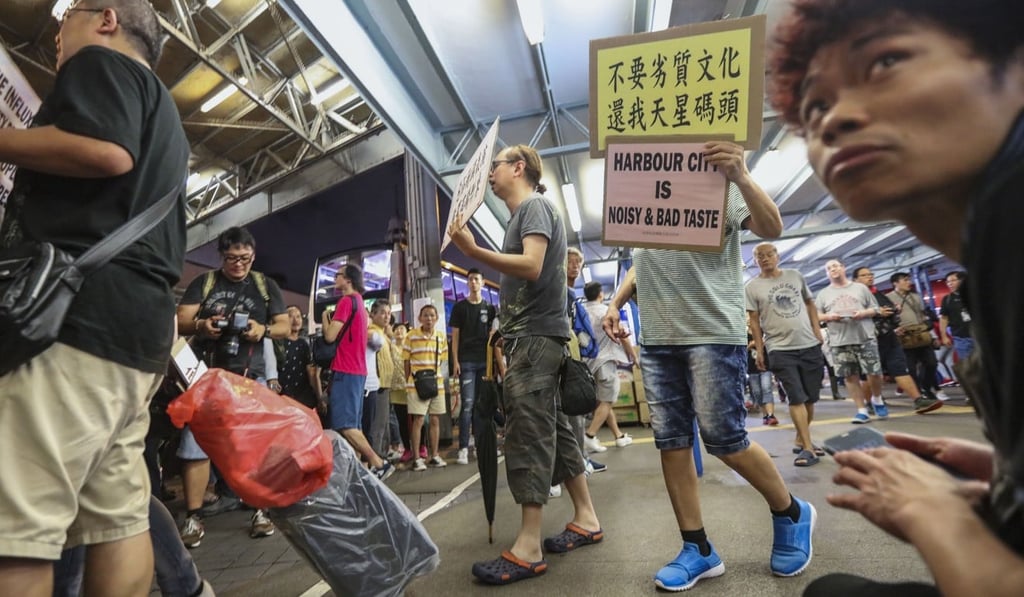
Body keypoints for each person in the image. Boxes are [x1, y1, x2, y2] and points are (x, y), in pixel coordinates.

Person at [769, 1, 1024, 594]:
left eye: (886, 60)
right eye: (817, 108)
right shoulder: (993, 247)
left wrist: (934, 513)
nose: (833, 121)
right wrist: (1005, 486)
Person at [0, 1, 188, 594]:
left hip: (74, 323)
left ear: (106, 18)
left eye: (68, 18)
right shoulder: (166, 116)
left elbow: (106, 151)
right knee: (118, 518)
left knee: (16, 528)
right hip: (138, 335)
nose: (59, 34)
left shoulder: (100, 64)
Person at [602, 141, 815, 591]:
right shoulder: (637, 186)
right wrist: (617, 303)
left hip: (712, 329)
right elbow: (645, 258)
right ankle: (697, 547)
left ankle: (792, 512)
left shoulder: (715, 177)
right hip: (658, 336)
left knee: (725, 439)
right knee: (672, 442)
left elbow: (771, 227)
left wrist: (740, 174)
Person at [449, 144, 602, 585]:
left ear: (518, 168)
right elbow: (526, 279)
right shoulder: (525, 214)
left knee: (528, 433)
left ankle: (528, 546)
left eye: (495, 166)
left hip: (535, 340)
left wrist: (474, 251)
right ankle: (587, 517)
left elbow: (532, 266)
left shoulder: (533, 206)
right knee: (552, 427)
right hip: (532, 334)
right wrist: (505, 323)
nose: (490, 174)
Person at [176, 226, 290, 543]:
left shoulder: (264, 285)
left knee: (252, 445)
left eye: (245, 258)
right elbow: (181, 318)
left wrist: (260, 328)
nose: (239, 265)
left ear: (253, 255)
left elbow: (283, 325)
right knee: (194, 445)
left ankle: (259, 510)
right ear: (221, 256)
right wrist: (202, 325)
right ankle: (193, 519)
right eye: (231, 258)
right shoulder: (206, 282)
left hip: (248, 377)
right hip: (207, 376)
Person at [745, 242, 824, 466]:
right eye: (760, 256)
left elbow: (810, 303)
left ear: (777, 256)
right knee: (796, 396)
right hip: (779, 348)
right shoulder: (752, 287)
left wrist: (817, 329)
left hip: (808, 344)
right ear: (756, 260)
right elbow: (754, 321)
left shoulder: (795, 276)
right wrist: (760, 350)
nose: (765, 258)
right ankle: (808, 448)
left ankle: (801, 439)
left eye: (769, 254)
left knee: (810, 397)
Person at [321, 263, 394, 481]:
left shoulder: (346, 301)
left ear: (349, 279)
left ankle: (378, 463)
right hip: (357, 372)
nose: (336, 278)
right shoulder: (360, 304)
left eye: (339, 275)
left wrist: (326, 318)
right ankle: (357, 472)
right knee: (352, 424)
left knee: (345, 424)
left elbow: (330, 337)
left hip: (345, 370)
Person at [851, 267, 942, 414]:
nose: (869, 277)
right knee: (869, 374)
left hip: (889, 338)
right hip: (868, 340)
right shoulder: (854, 297)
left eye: (870, 274)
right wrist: (877, 312)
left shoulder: (878, 293)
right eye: (864, 275)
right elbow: (854, 315)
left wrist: (895, 311)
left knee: (900, 369)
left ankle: (918, 400)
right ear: (855, 280)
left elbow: (888, 313)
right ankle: (868, 403)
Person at [815, 259, 889, 424]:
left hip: (865, 337)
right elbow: (816, 316)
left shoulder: (860, 288)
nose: (833, 269)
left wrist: (863, 313)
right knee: (850, 376)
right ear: (827, 274)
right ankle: (861, 410)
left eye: (835, 266)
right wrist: (829, 317)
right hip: (839, 340)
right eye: (829, 268)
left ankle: (877, 399)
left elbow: (876, 309)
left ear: (843, 268)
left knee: (875, 372)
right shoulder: (823, 294)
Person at [450, 268, 496, 465]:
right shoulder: (460, 308)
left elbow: (494, 339)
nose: (473, 282)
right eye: (470, 280)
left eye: (477, 279)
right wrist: (456, 361)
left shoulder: (490, 308)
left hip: (484, 363)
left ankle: (479, 446)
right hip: (466, 361)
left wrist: (494, 364)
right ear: (467, 283)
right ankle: (462, 448)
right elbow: (455, 338)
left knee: (480, 406)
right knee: (467, 405)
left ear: (483, 283)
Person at [581, 281, 634, 452]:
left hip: (587, 365)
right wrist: (633, 355)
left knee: (603, 401)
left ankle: (618, 436)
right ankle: (589, 435)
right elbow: (622, 336)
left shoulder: (582, 312)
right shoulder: (606, 311)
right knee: (607, 400)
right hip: (605, 362)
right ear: (601, 294)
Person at [402, 303, 449, 471]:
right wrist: (409, 380)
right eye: (425, 315)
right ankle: (417, 458)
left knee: (435, 420)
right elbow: (406, 360)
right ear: (419, 318)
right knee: (419, 420)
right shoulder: (411, 336)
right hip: (416, 384)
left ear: (436, 318)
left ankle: (434, 455)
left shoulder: (441, 337)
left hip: (436, 383)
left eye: (432, 315)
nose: (429, 318)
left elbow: (443, 361)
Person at [887, 272, 947, 401]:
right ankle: (919, 393)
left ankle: (926, 387)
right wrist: (895, 329)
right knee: (911, 368)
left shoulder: (916, 297)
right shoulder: (888, 298)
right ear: (895, 283)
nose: (909, 282)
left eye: (909, 280)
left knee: (932, 363)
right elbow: (886, 320)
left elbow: (923, 316)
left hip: (921, 334)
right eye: (905, 280)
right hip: (904, 338)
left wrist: (933, 336)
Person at [271, 305, 322, 411]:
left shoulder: (304, 344)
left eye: (298, 316)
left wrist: (318, 397)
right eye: (291, 316)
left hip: (302, 397)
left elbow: (311, 372)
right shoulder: (277, 342)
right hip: (281, 395)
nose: (295, 320)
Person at [940, 271, 974, 362]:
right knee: (968, 367)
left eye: (953, 281)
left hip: (979, 336)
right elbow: (944, 318)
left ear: (962, 280)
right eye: (947, 282)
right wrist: (944, 336)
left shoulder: (974, 295)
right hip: (961, 338)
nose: (950, 284)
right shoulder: (947, 299)